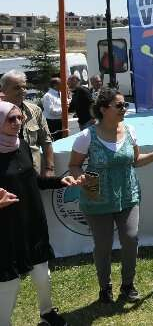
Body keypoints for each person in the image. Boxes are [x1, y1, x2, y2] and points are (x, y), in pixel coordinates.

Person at [69, 88, 153, 303]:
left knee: (130, 239)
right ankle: (105, 288)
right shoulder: (86, 136)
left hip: (128, 195)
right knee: (103, 246)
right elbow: (74, 165)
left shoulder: (130, 130)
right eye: (119, 105)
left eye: (125, 105)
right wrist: (81, 178)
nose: (124, 109)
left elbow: (135, 161)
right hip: (97, 199)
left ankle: (127, 286)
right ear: (103, 109)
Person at [1, 101, 79, 326]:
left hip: (33, 221)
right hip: (6, 228)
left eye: (20, 117)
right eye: (11, 119)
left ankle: (47, 312)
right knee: (9, 283)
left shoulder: (22, 145)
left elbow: (32, 180)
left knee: (43, 274)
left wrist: (58, 181)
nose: (18, 122)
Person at [0, 70, 55, 177]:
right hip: (6, 175)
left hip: (33, 173)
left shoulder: (35, 111)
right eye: (17, 88)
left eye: (24, 87)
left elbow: (46, 141)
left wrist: (50, 168)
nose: (23, 91)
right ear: (3, 90)